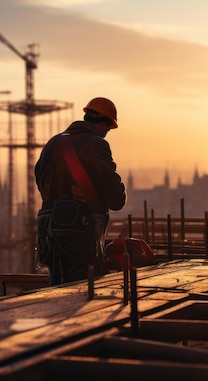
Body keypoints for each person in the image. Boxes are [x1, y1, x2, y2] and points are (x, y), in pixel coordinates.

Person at [35, 97, 127, 285]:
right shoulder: (96, 144)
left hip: (47, 228)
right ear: (103, 124)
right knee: (82, 290)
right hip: (77, 231)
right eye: (108, 129)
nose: (106, 133)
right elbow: (116, 198)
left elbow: (40, 178)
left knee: (56, 287)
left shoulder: (53, 143)